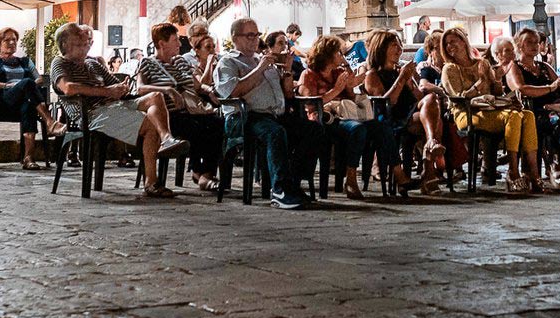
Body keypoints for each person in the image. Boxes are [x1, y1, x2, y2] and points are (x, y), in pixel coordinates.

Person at [52, 22, 186, 197]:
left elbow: (113, 84)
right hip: (91, 113)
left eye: (85, 42)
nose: (85, 43)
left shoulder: (93, 64)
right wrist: (106, 91)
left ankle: (166, 138)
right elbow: (68, 88)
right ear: (66, 45)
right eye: (79, 42)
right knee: (149, 124)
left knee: (156, 97)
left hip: (113, 105)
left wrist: (122, 87)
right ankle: (152, 182)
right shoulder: (60, 63)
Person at [214, 18, 314, 208]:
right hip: (244, 117)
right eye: (249, 35)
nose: (254, 40)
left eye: (256, 35)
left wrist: (287, 72)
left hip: (273, 115)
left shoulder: (263, 60)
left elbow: (286, 94)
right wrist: (260, 69)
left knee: (312, 131)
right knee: (274, 132)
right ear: (235, 38)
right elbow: (232, 91)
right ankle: (280, 190)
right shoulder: (228, 62)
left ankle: (290, 182)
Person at [439, 25, 542, 194]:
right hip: (467, 113)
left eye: (453, 41)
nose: (450, 46)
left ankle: (533, 173)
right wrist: (480, 81)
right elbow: (459, 97)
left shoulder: (483, 63)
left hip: (491, 109)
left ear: (464, 42)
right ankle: (513, 173)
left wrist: (496, 79)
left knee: (528, 115)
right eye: (447, 44)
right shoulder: (450, 69)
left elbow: (496, 92)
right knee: (514, 117)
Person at [136, 21, 223, 190]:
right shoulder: (148, 63)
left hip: (190, 110)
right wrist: (167, 90)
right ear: (162, 43)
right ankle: (199, 173)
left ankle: (207, 173)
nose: (179, 43)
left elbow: (196, 85)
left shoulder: (181, 62)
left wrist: (208, 90)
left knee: (216, 123)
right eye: (175, 40)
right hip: (168, 115)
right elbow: (139, 88)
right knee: (196, 127)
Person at [298, 34, 382, 199]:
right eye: (338, 53)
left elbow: (350, 97)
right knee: (357, 129)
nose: (341, 56)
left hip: (346, 114)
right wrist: (335, 90)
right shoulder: (309, 75)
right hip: (326, 119)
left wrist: (349, 80)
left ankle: (397, 174)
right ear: (327, 54)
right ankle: (350, 178)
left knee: (381, 127)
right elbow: (310, 104)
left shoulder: (338, 72)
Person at [362, 27, 443, 193]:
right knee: (435, 121)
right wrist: (401, 80)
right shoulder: (372, 75)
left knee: (431, 100)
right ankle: (429, 171)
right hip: (392, 120)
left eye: (400, 45)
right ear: (381, 49)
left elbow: (420, 99)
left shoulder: (401, 70)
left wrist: (410, 81)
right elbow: (386, 103)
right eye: (394, 46)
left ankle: (430, 146)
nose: (399, 50)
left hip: (412, 116)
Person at [509, 26, 560, 191]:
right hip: (534, 111)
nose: (534, 45)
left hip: (556, 107)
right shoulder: (515, 67)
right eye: (529, 42)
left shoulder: (544, 66)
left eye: (536, 42)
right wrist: (550, 88)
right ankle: (557, 169)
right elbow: (521, 88)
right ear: (519, 45)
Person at [0, 27, 61, 169]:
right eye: (7, 40)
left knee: (29, 104)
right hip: (3, 102)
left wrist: (24, 87)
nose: (11, 42)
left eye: (14, 40)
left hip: (24, 101)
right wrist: (5, 85)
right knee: (27, 83)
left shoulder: (25, 61)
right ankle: (49, 121)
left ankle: (28, 158)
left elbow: (39, 79)